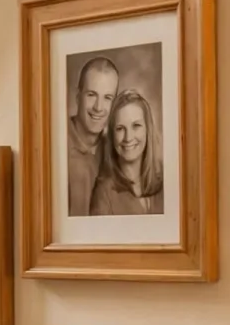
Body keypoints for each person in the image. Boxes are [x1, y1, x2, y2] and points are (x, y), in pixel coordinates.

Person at [89, 89, 164, 216]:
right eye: (120, 129)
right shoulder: (104, 193)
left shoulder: (165, 181)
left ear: (148, 130)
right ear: (112, 136)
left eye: (136, 126)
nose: (128, 137)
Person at [67, 56, 118, 217]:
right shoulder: (55, 145)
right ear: (78, 96)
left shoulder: (116, 152)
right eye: (91, 95)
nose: (98, 107)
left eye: (107, 98)